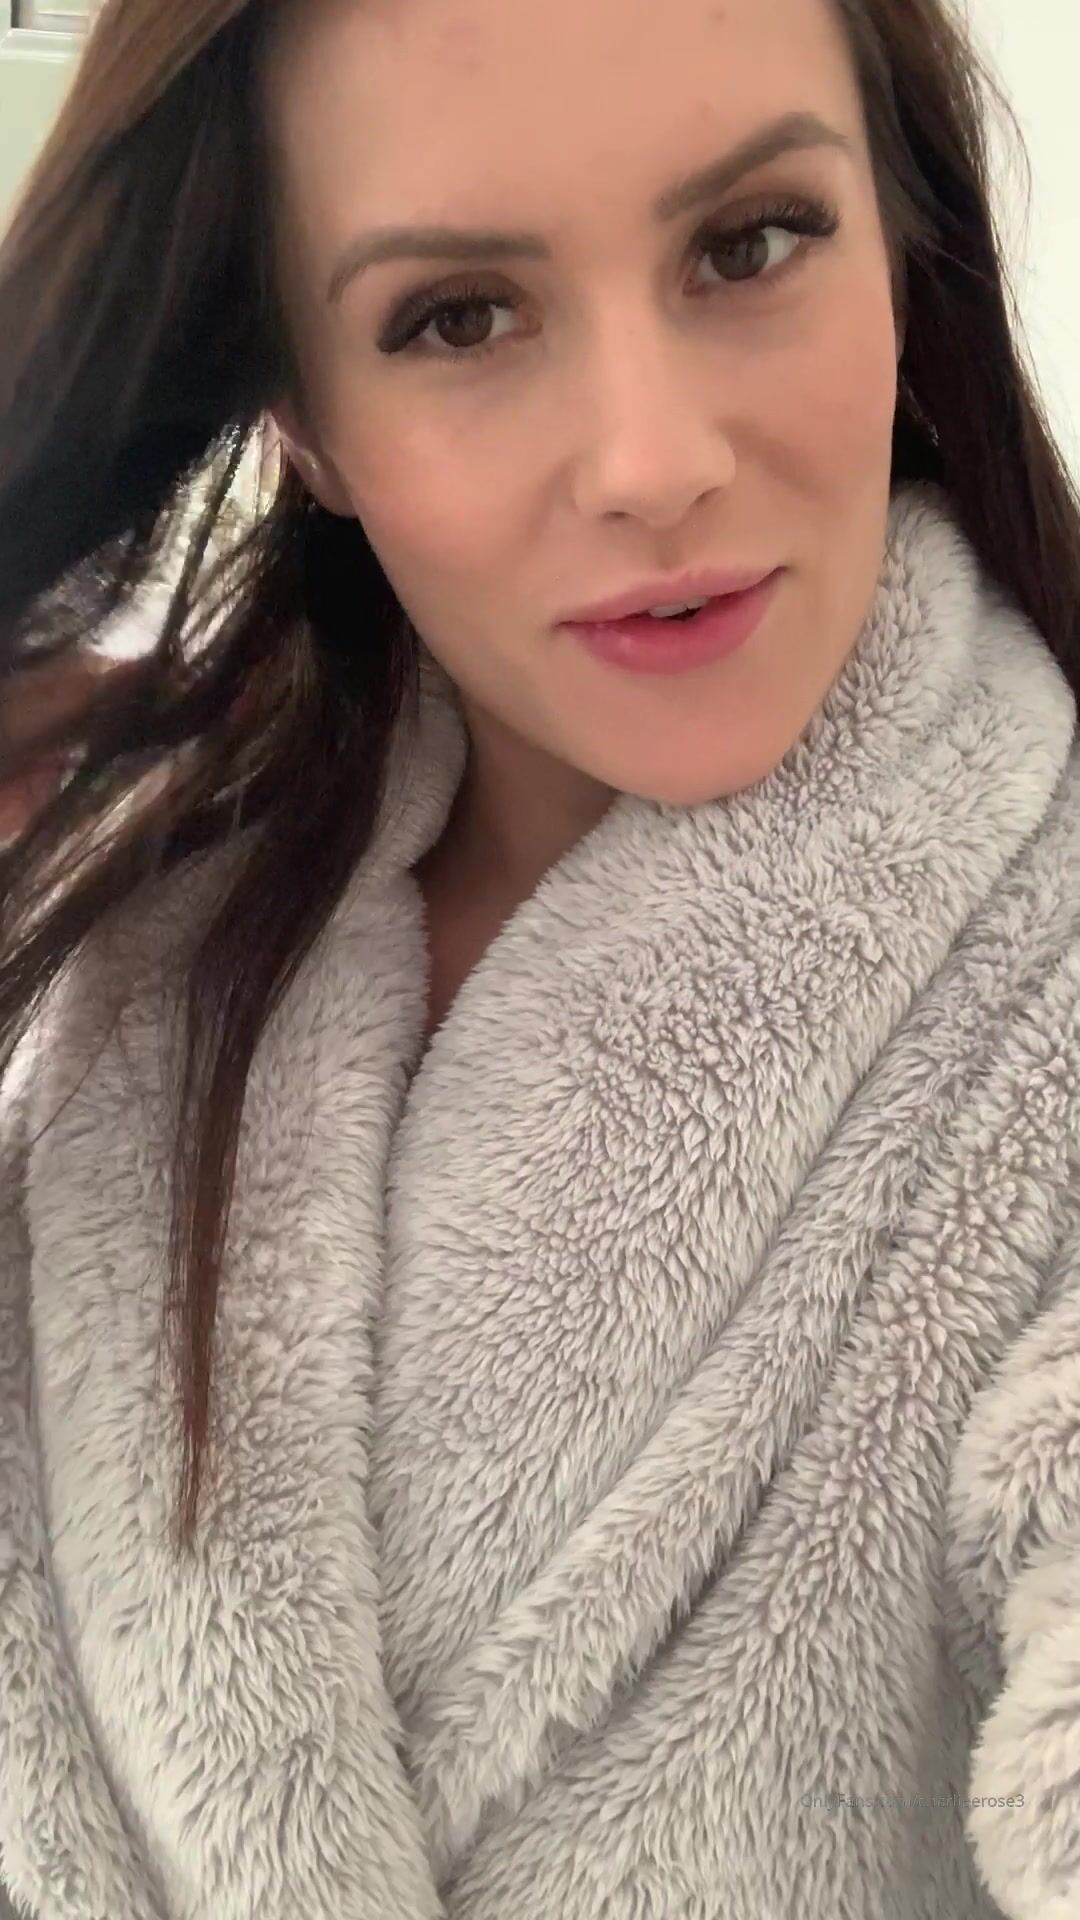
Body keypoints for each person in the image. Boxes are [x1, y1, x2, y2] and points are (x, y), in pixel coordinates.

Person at [2, 0, 1080, 1914]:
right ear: (306, 423)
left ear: (903, 259)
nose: (653, 462)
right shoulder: (121, 955)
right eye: (458, 318)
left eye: (751, 243)